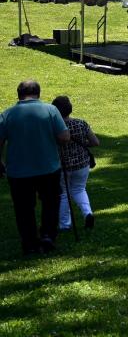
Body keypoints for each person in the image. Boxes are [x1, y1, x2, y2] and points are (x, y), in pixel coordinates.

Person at [0, 80, 70, 255]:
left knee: (24, 208)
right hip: (48, 167)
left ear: (19, 94)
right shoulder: (51, 110)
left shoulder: (7, 114)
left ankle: (30, 242)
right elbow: (64, 137)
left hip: (18, 170)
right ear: (38, 93)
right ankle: (47, 235)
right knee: (50, 202)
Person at [51, 96, 99, 231]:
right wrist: (83, 144)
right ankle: (88, 213)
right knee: (79, 189)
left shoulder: (54, 128)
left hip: (62, 166)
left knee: (64, 193)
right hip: (82, 164)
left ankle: (65, 224)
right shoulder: (81, 123)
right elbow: (95, 142)